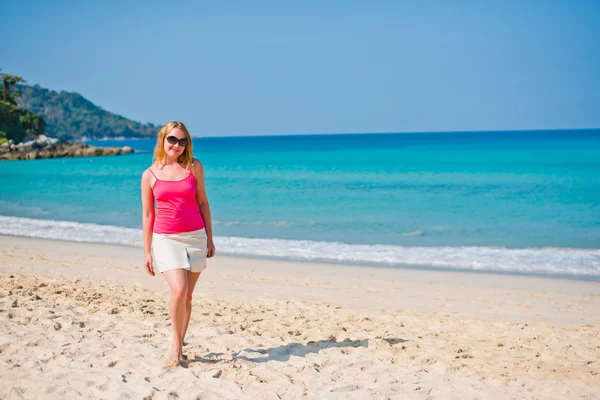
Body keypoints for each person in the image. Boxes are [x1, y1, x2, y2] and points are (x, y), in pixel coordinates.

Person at [140, 120, 215, 365]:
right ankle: (175, 344)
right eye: (172, 139)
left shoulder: (195, 167)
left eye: (183, 141)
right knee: (179, 290)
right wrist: (147, 251)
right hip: (166, 238)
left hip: (195, 237)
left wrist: (210, 239)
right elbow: (148, 215)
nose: (177, 145)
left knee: (188, 297)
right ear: (163, 139)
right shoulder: (149, 175)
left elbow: (203, 202)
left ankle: (180, 344)